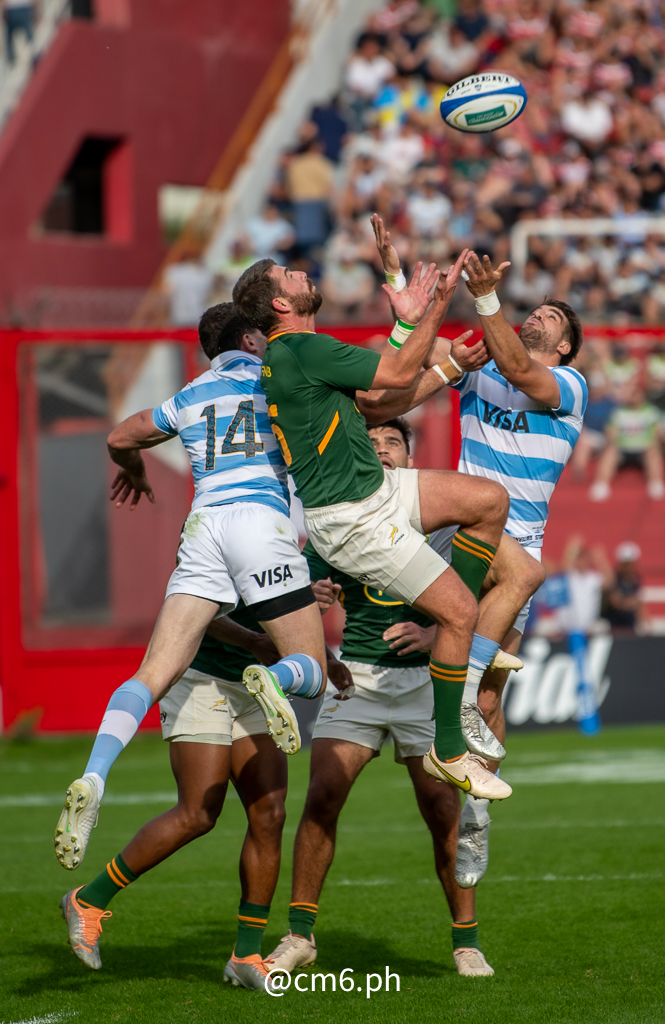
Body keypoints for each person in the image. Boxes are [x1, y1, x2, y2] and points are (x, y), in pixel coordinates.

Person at [54, 304, 335, 876]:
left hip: (204, 525)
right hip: (259, 517)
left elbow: (119, 434)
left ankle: (95, 772)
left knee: (151, 675)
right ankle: (272, 678)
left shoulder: (189, 395)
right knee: (310, 667)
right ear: (253, 338)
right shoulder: (273, 376)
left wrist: (133, 470)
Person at [233, 253, 515, 802]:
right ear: (281, 304)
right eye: (291, 276)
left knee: (487, 501)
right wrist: (432, 304)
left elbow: (380, 401)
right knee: (459, 612)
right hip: (354, 518)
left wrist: (436, 352)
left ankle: (459, 643)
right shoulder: (303, 348)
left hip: (372, 493)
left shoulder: (295, 356)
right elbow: (395, 374)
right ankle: (450, 749)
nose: (304, 272)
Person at [371, 225, 586, 888]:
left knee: (494, 705)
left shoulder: (569, 385)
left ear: (566, 345)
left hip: (518, 535)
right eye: (535, 309)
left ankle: (476, 812)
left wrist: (488, 304)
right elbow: (413, 354)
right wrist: (403, 287)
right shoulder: (481, 364)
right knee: (517, 585)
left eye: (548, 317)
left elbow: (523, 373)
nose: (536, 317)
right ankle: (454, 698)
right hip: (466, 528)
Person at [265, 419, 496, 980]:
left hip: (426, 683)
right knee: (323, 795)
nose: (381, 451)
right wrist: (313, 600)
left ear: (409, 456)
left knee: (442, 811)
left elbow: (490, 595)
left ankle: (466, 943)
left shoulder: (437, 516)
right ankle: (299, 935)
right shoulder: (334, 521)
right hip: (359, 681)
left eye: (391, 443)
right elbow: (299, 601)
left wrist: (437, 632)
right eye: (369, 446)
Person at [59, 606, 288, 990]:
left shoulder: (294, 548)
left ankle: (245, 955)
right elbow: (199, 612)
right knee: (198, 813)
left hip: (258, 684)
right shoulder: (209, 542)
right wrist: (254, 639)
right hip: (203, 680)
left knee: (270, 814)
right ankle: (89, 899)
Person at [589, 385, 664, 501]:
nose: (631, 397)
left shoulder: (651, 412)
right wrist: (612, 443)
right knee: (610, 452)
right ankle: (601, 484)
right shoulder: (618, 412)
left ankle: (655, 482)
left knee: (652, 450)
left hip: (644, 448)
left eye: (634, 394)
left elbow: (658, 433)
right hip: (622, 449)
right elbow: (610, 432)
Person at [603, 541, 646, 632]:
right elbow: (616, 602)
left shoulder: (636, 580)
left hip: (631, 628)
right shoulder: (614, 579)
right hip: (615, 629)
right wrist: (630, 603)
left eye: (631, 563)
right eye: (626, 563)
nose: (629, 567)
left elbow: (639, 604)